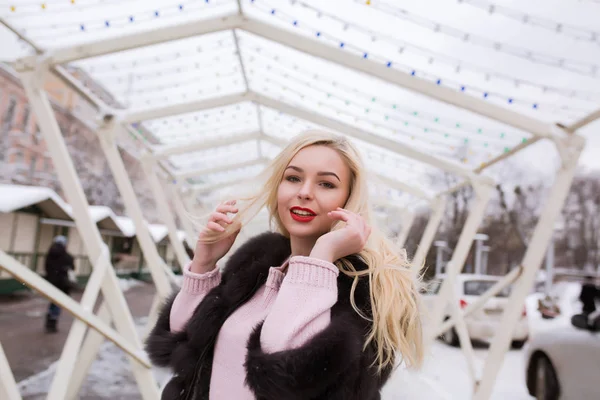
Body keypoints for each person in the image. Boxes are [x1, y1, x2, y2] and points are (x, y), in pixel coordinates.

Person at [146, 131, 424, 399]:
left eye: (326, 184)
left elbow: (283, 374)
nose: (304, 192)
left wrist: (320, 257)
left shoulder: (360, 294)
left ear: (348, 201)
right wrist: (204, 263)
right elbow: (182, 344)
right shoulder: (255, 267)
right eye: (293, 178)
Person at [44, 235, 75, 333]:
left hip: (51, 282)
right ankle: (52, 323)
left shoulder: (50, 254)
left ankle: (49, 320)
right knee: (58, 303)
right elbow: (72, 268)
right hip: (62, 284)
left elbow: (46, 267)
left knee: (53, 301)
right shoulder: (68, 257)